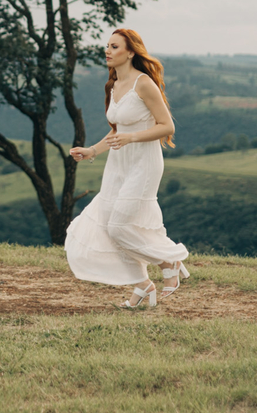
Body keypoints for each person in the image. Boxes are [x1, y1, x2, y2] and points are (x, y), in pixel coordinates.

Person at [65, 28, 189, 309]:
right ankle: (143, 286)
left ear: (131, 51)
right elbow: (117, 131)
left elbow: (166, 126)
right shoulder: (112, 86)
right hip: (117, 164)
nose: (108, 51)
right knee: (111, 228)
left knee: (120, 226)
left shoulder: (144, 84)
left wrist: (132, 137)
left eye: (115, 47)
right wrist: (91, 151)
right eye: (107, 46)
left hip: (143, 163)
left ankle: (169, 261)